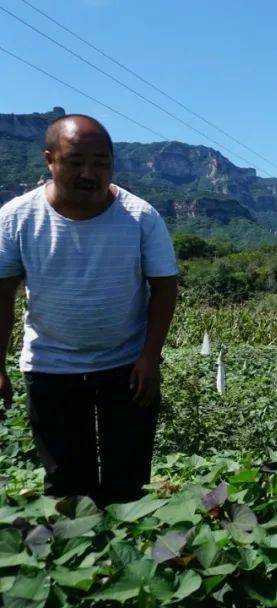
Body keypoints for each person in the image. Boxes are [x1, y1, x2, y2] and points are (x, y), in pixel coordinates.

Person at [0, 114, 179, 506]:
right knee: (66, 484)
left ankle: (124, 563)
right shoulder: (16, 218)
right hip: (51, 367)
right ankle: (80, 563)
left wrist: (150, 357)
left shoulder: (140, 216)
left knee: (129, 485)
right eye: (76, 161)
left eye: (100, 162)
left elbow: (165, 289)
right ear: (50, 160)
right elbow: (3, 294)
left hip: (127, 366)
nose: (89, 172)